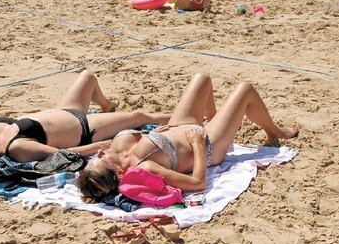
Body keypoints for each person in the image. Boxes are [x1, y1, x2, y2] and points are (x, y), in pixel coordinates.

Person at [77, 73, 299, 202]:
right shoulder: (144, 169)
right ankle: (274, 132)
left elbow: (144, 135)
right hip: (207, 144)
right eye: (100, 159)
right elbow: (198, 183)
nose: (99, 152)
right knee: (245, 89)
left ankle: (218, 119)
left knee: (202, 79)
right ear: (116, 172)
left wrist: (153, 134)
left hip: (179, 126)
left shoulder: (116, 147)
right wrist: (198, 146)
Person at [0, 70, 171, 174]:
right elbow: (65, 153)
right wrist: (104, 145)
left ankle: (107, 105)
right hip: (85, 128)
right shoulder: (17, 149)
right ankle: (187, 119)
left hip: (65, 110)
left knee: (88, 77)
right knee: (141, 117)